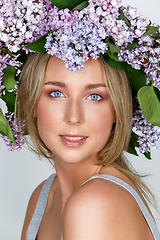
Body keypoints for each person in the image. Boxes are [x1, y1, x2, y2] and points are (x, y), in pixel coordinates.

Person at [16, 52, 160, 240]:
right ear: (31, 102)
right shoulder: (43, 196)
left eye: (94, 96)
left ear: (117, 109)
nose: (74, 117)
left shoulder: (94, 205)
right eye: (56, 93)